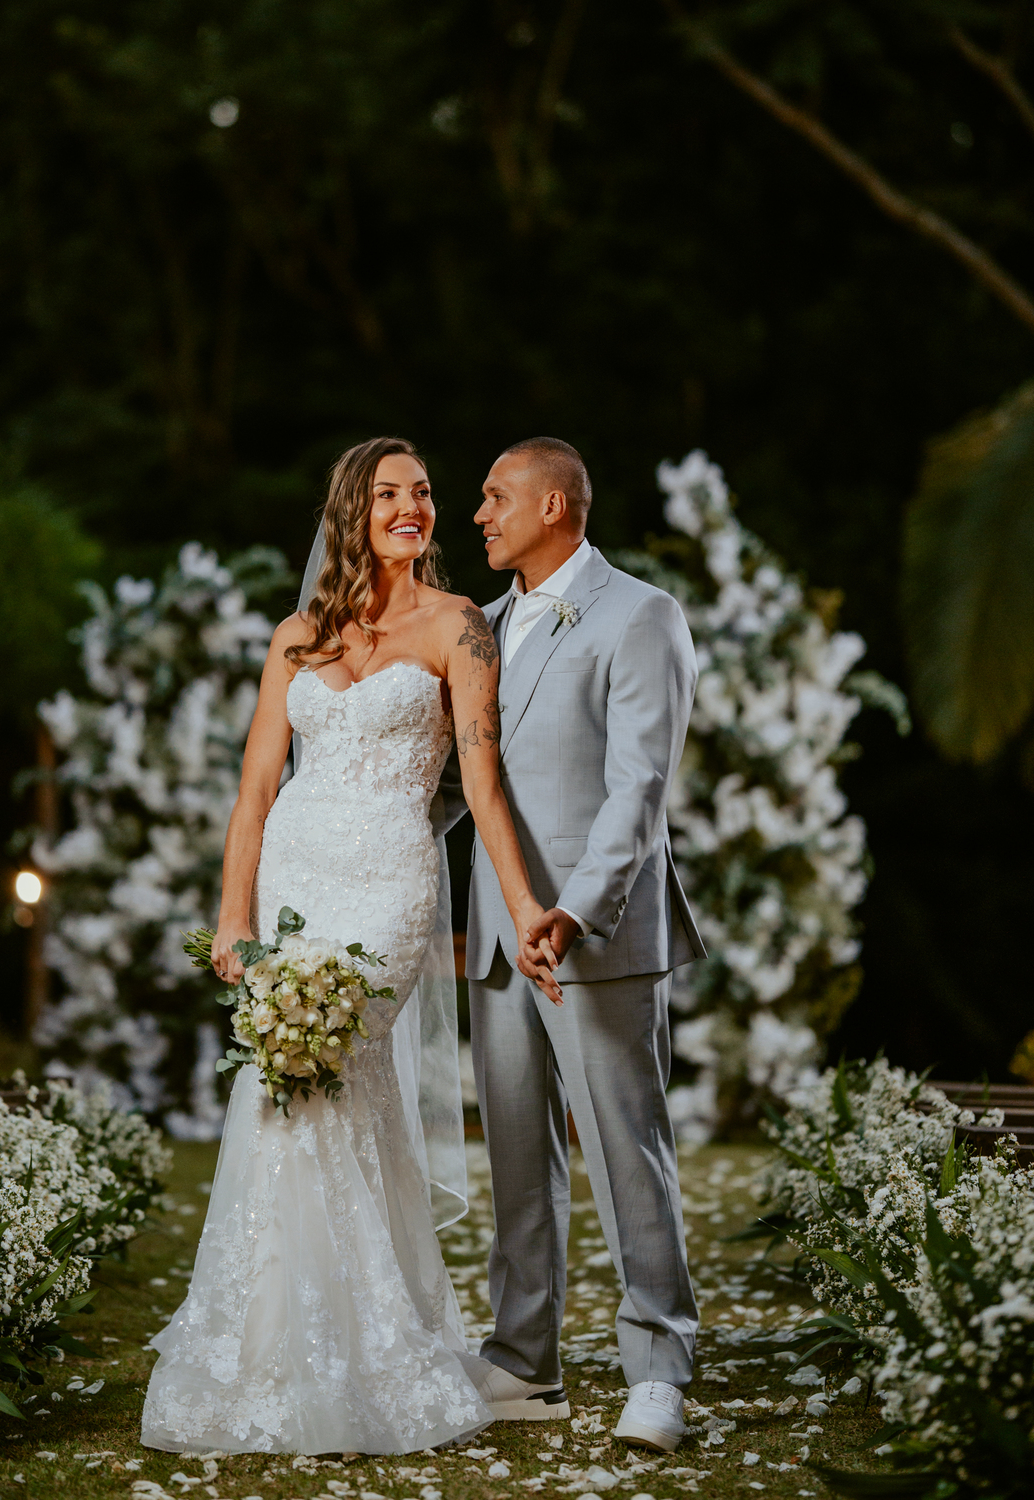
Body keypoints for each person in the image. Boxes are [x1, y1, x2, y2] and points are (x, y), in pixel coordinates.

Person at [141, 436, 560, 1457]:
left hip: (389, 885)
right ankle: (277, 1349)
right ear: (351, 513)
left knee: (333, 1064)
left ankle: (363, 1352)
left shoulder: (459, 626)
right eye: (389, 495)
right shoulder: (297, 635)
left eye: (423, 493)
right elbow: (255, 791)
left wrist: (526, 909)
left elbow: (483, 785)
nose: (412, 507)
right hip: (294, 881)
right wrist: (234, 916)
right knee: (285, 1090)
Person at [459, 436, 705, 1453]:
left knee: (624, 1151)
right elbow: (461, 780)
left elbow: (638, 788)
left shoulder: (641, 615)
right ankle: (525, 1360)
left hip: (591, 936)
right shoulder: (478, 626)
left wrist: (576, 910)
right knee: (518, 1155)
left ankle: (660, 1368)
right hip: (496, 934)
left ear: (554, 505)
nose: (479, 514)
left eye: (495, 496)